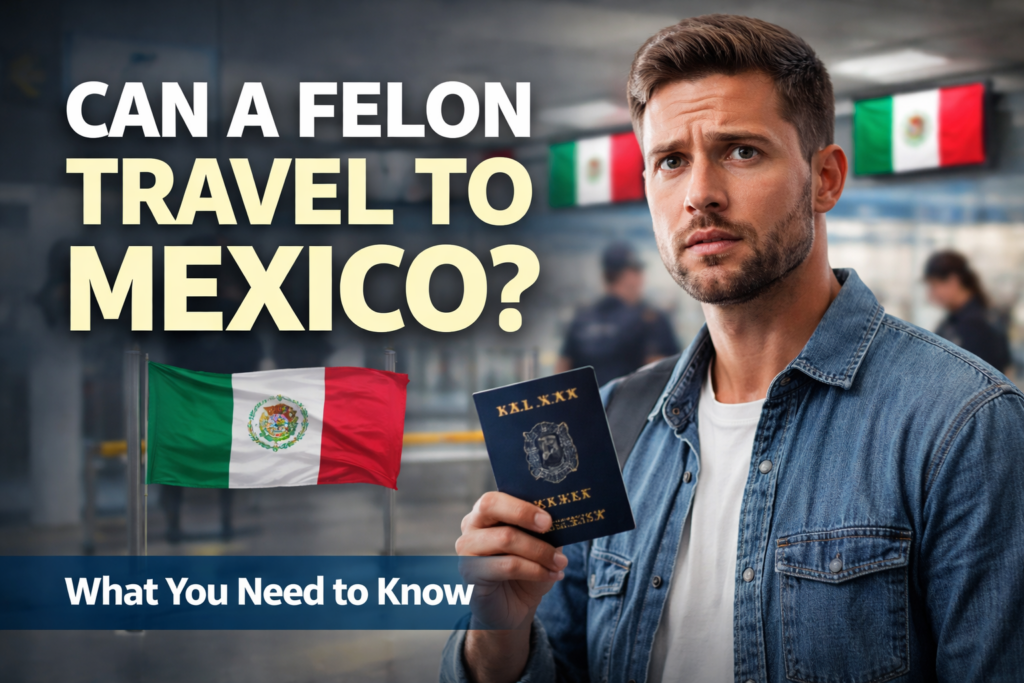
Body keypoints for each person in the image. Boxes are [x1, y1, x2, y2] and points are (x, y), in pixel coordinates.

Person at [442, 14, 1024, 683]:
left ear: (826, 178)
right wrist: (499, 630)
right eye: (671, 162)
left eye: (742, 151)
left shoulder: (963, 427)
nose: (700, 196)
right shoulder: (608, 427)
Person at [556, 242, 679, 385]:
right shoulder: (650, 320)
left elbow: (562, 370)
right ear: (630, 276)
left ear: (605, 276)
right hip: (633, 405)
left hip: (588, 405)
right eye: (638, 271)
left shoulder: (582, 318)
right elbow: (663, 375)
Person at [924, 250, 1012, 373]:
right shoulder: (959, 318)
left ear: (953, 281)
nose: (931, 294)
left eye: (934, 285)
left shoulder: (975, 324)